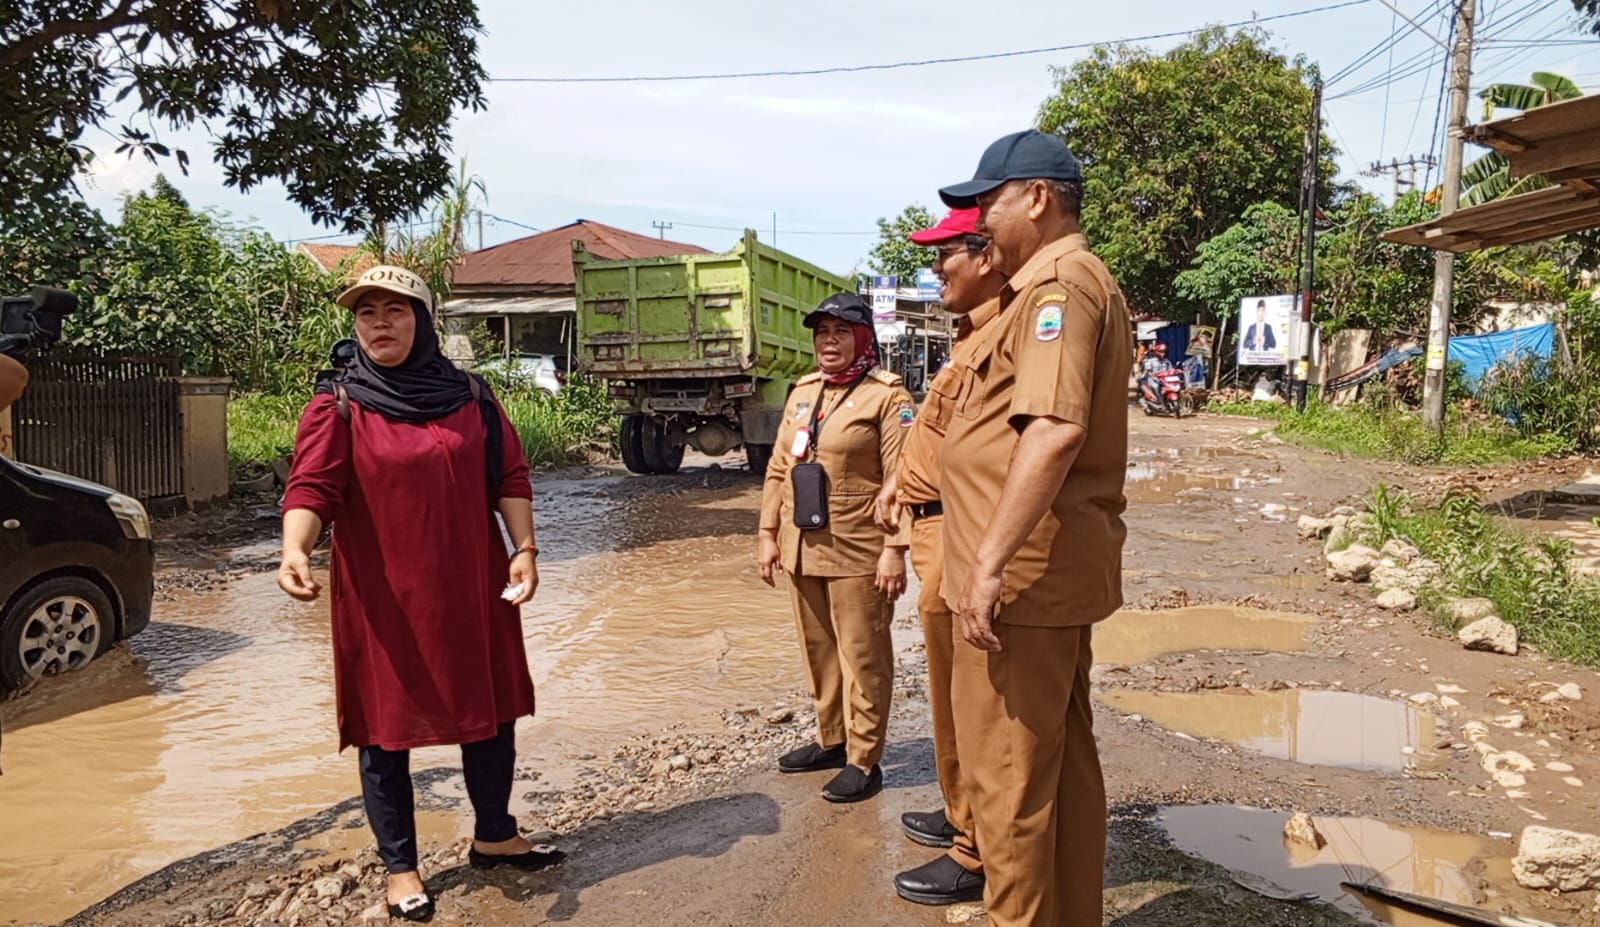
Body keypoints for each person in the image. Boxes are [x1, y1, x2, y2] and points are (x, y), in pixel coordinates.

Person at [276, 265, 562, 923]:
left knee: (490, 710)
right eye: (366, 311)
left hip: (471, 586)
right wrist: (296, 547)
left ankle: (494, 831)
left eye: (395, 310)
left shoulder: (471, 396)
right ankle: (400, 866)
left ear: (423, 320)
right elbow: (312, 487)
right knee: (386, 728)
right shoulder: (339, 404)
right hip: (385, 598)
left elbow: (508, 476)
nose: (380, 322)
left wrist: (523, 548)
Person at [935, 129, 1132, 926]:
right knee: (1060, 769)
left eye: (990, 200)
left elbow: (1052, 428)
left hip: (1019, 584)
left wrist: (986, 567)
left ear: (1038, 199)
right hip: (1038, 577)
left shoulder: (1058, 288)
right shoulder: (1054, 287)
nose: (980, 218)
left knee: (1005, 782)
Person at [871, 207, 1005, 906]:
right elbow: (938, 433)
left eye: (946, 253)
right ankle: (961, 814)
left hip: (958, 532)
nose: (935, 269)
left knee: (972, 700)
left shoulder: (1004, 334)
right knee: (950, 694)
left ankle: (975, 847)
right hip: (931, 529)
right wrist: (900, 488)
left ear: (987, 255)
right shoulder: (969, 335)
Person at [757, 292, 914, 804]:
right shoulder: (804, 392)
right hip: (803, 542)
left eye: (841, 332)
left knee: (864, 656)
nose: (829, 341)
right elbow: (780, 468)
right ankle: (833, 740)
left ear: (863, 337)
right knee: (819, 650)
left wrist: (896, 548)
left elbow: (903, 477)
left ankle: (864, 760)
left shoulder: (887, 396)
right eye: (822, 332)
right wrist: (767, 535)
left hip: (859, 548)